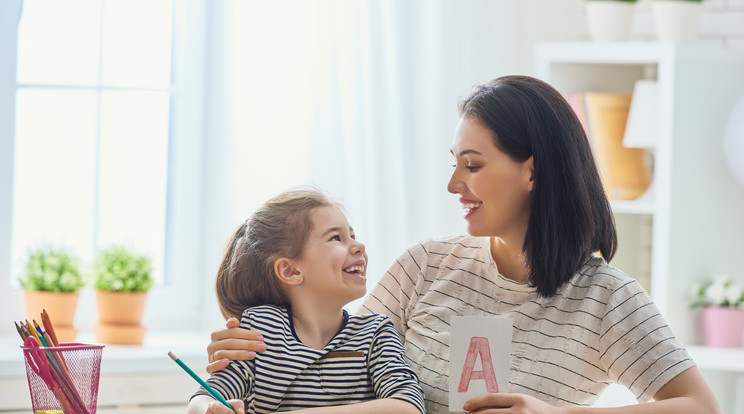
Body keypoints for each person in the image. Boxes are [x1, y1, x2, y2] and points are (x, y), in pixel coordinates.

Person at [205, 76, 721, 414]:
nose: (454, 185)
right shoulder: (426, 265)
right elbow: (340, 358)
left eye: (472, 166)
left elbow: (699, 406)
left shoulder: (607, 299)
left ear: (533, 172)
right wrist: (251, 349)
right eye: (454, 163)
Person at [188, 189, 425, 414]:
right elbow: (205, 397)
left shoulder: (375, 333)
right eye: (336, 238)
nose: (359, 245)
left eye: (352, 235)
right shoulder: (261, 331)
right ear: (291, 271)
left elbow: (408, 406)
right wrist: (211, 408)